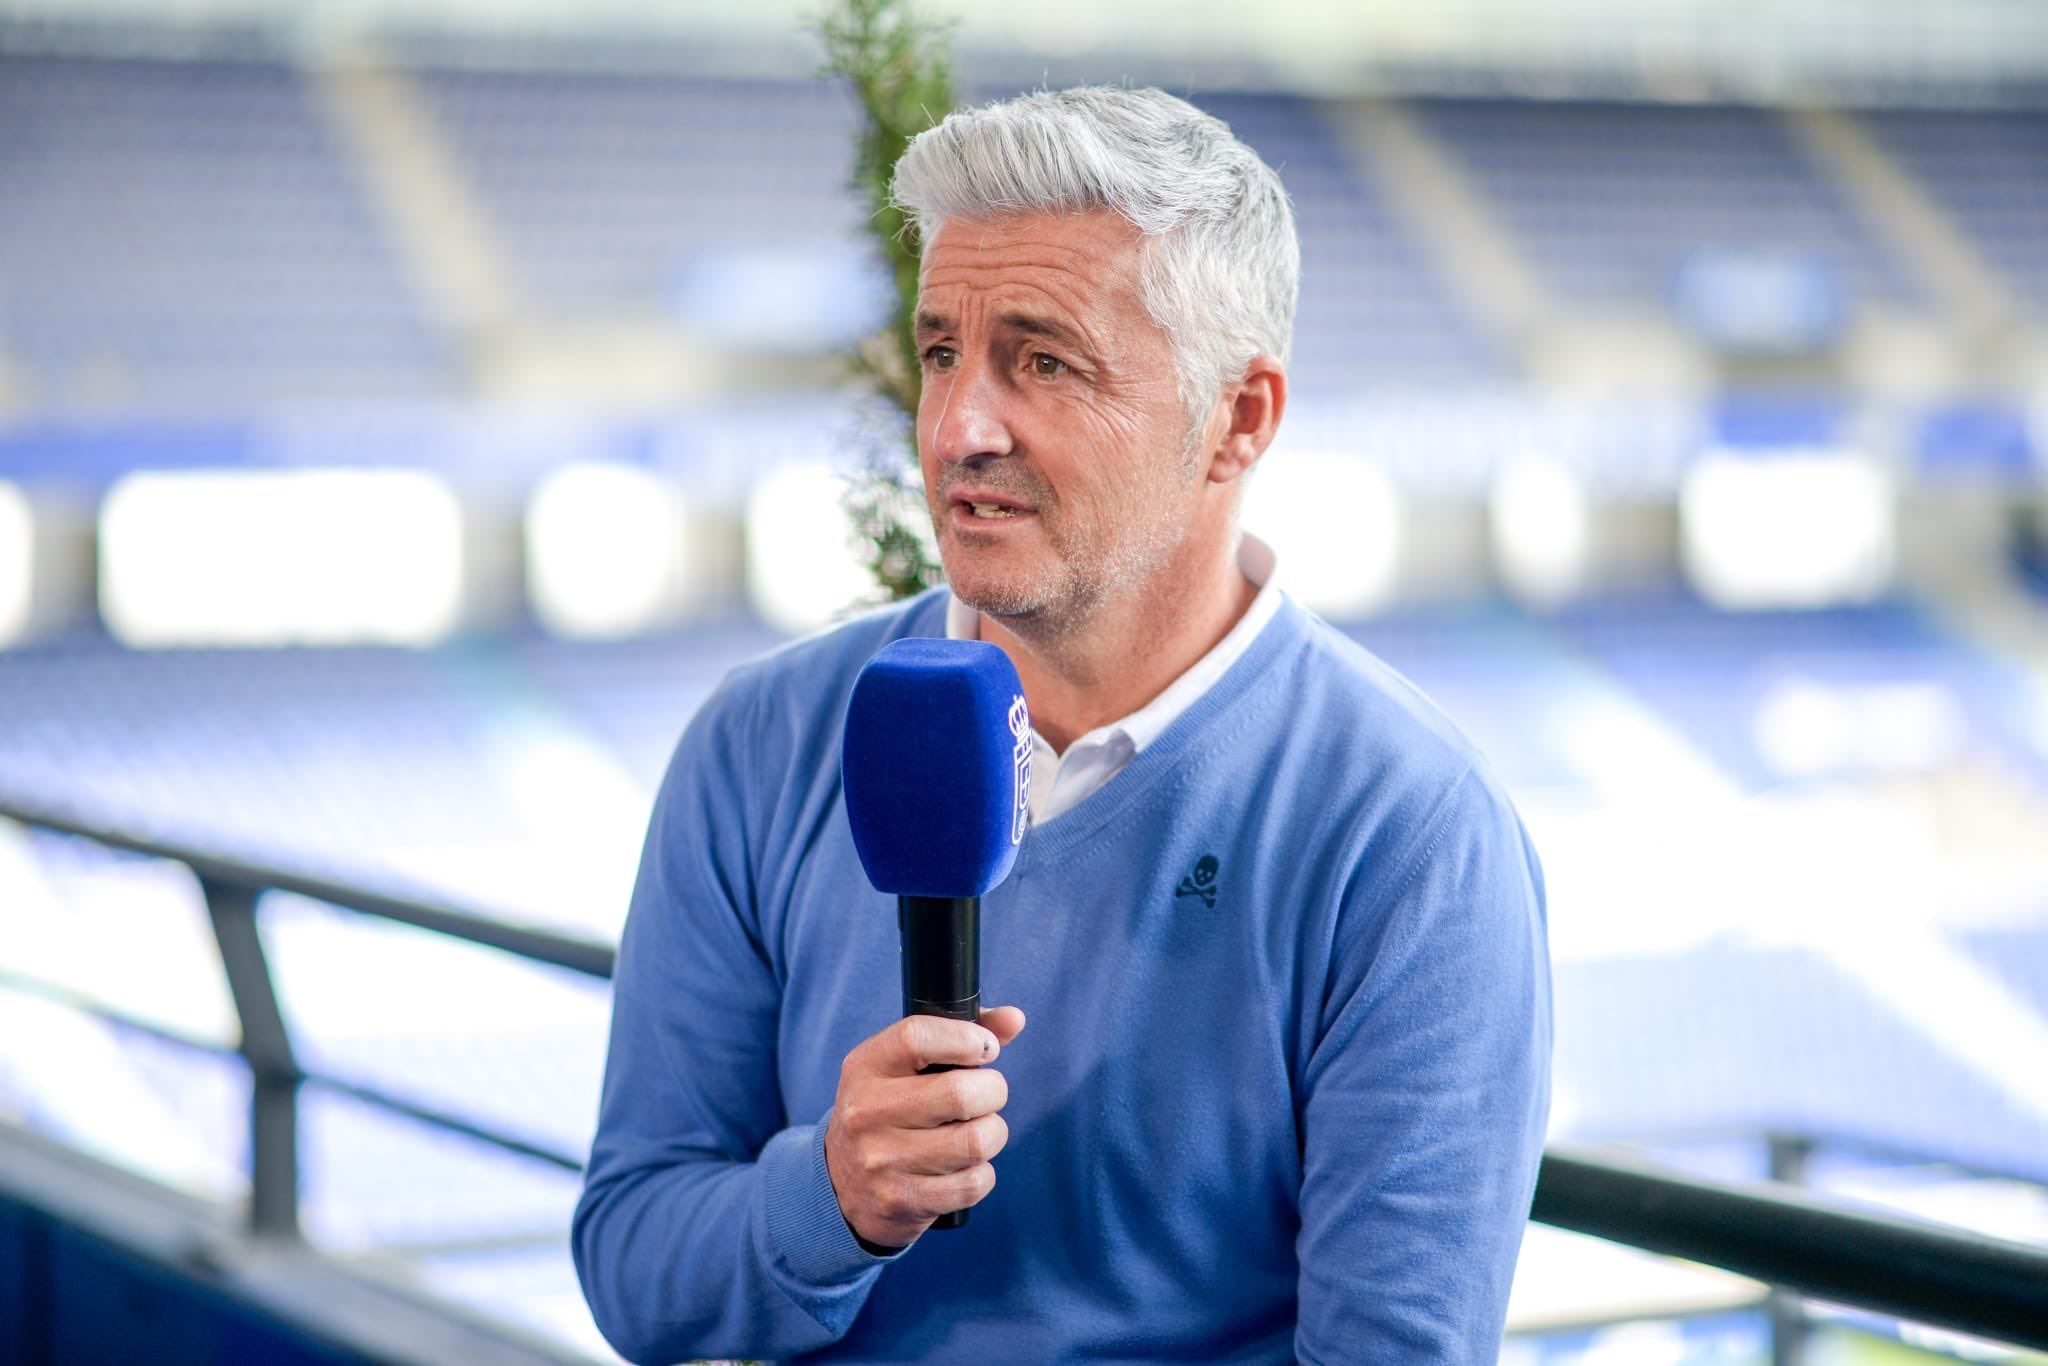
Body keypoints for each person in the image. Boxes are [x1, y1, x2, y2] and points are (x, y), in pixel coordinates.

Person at [573, 85, 1550, 1363]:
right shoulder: (761, 741)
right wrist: (831, 1197)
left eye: (1042, 360)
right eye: (940, 353)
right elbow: (634, 1265)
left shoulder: (1411, 835)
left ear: (1238, 419)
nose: (959, 426)